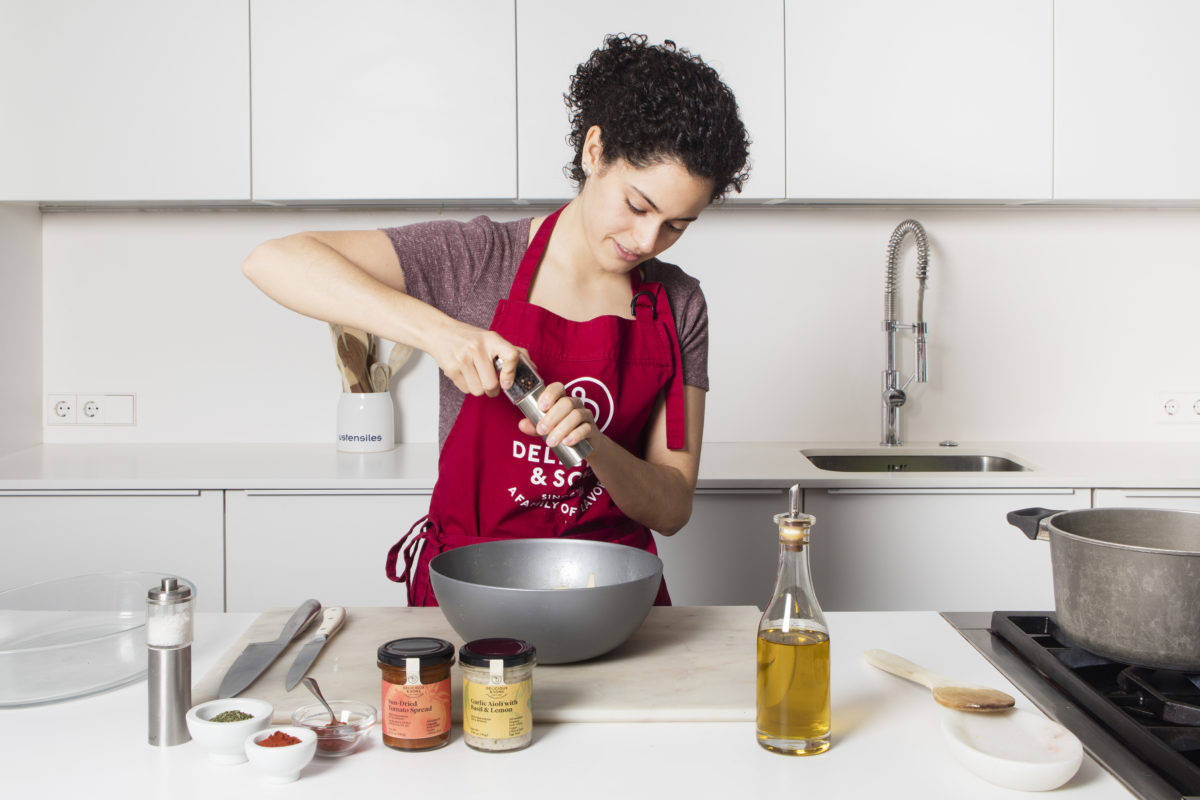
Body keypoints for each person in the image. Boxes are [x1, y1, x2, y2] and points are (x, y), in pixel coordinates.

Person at [242, 33, 751, 606]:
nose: (646, 240)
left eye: (677, 225)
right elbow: (273, 260)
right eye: (637, 206)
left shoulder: (677, 304)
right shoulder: (476, 260)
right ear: (593, 151)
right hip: (469, 591)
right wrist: (440, 332)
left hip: (613, 599)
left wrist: (595, 446)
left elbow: (673, 505)